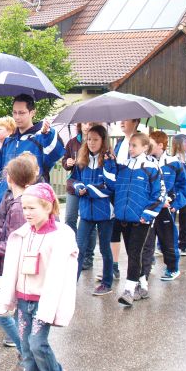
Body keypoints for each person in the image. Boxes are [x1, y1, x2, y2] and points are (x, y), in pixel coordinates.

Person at [0, 182, 77, 371]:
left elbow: (58, 274)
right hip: (24, 299)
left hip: (44, 301)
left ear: (48, 207)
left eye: (32, 208)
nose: (27, 213)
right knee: (26, 348)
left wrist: (49, 306)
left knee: (37, 343)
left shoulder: (60, 236)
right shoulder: (22, 234)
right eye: (24, 208)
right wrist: (8, 297)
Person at [0, 154, 39, 371]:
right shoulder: (14, 200)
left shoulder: (19, 206)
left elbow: (15, 244)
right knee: (12, 316)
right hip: (13, 267)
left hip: (20, 269)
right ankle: (25, 359)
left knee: (6, 314)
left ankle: (29, 365)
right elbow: (6, 234)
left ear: (10, 178)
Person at [104, 132, 163, 306]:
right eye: (130, 145)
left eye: (134, 145)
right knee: (132, 253)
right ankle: (143, 285)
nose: (130, 148)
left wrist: (148, 214)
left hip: (141, 220)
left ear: (145, 147)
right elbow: (111, 183)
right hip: (124, 218)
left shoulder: (152, 167)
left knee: (135, 252)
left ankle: (129, 291)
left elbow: (159, 194)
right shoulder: (124, 166)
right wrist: (109, 162)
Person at [0, 93, 65, 188]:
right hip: (7, 195)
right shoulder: (8, 140)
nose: (17, 117)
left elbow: (56, 154)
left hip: (31, 195)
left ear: (32, 113)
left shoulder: (41, 137)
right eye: (14, 112)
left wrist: (47, 135)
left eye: (21, 113)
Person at [70, 125, 116, 295]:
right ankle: (70, 283)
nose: (91, 142)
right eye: (89, 139)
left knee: (105, 249)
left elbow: (111, 187)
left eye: (96, 139)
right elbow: (73, 179)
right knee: (79, 248)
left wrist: (88, 189)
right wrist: (78, 187)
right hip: (86, 213)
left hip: (105, 213)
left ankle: (107, 283)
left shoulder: (110, 161)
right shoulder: (82, 160)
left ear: (103, 141)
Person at [141, 131, 186, 282]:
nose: (147, 147)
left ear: (160, 145)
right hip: (149, 208)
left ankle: (172, 268)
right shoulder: (144, 161)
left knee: (168, 241)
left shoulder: (174, 162)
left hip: (165, 210)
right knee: (146, 241)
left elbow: (184, 184)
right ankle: (144, 270)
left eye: (150, 144)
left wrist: (175, 203)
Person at [107, 118, 141, 280]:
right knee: (114, 228)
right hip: (117, 190)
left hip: (132, 192)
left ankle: (138, 271)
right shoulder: (120, 142)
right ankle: (114, 266)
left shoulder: (140, 141)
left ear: (136, 121)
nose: (121, 122)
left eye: (126, 119)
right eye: (120, 119)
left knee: (131, 235)